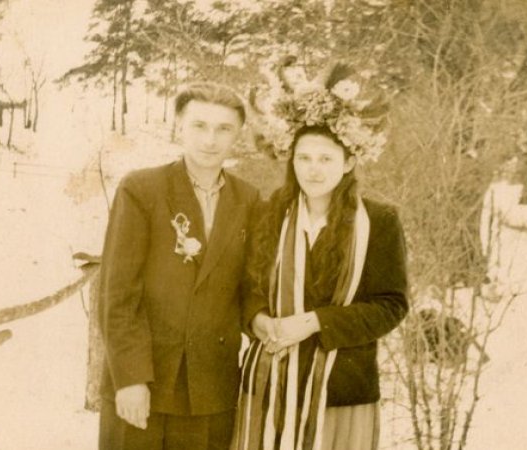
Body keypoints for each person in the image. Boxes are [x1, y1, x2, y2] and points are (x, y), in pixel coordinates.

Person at [233, 66, 408, 450]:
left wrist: (314, 323)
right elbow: (247, 286)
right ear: (291, 161)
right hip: (269, 385)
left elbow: (391, 306)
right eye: (304, 158)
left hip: (340, 392)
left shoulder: (378, 221)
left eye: (326, 159)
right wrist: (257, 318)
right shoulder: (268, 213)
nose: (313, 170)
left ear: (348, 162)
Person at [98, 82, 260, 450]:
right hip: (144, 383)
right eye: (199, 126)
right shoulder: (142, 189)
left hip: (210, 390)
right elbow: (118, 292)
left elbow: (250, 287)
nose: (210, 140)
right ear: (179, 127)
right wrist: (130, 377)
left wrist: (263, 321)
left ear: (237, 135)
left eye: (224, 129)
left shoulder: (248, 199)